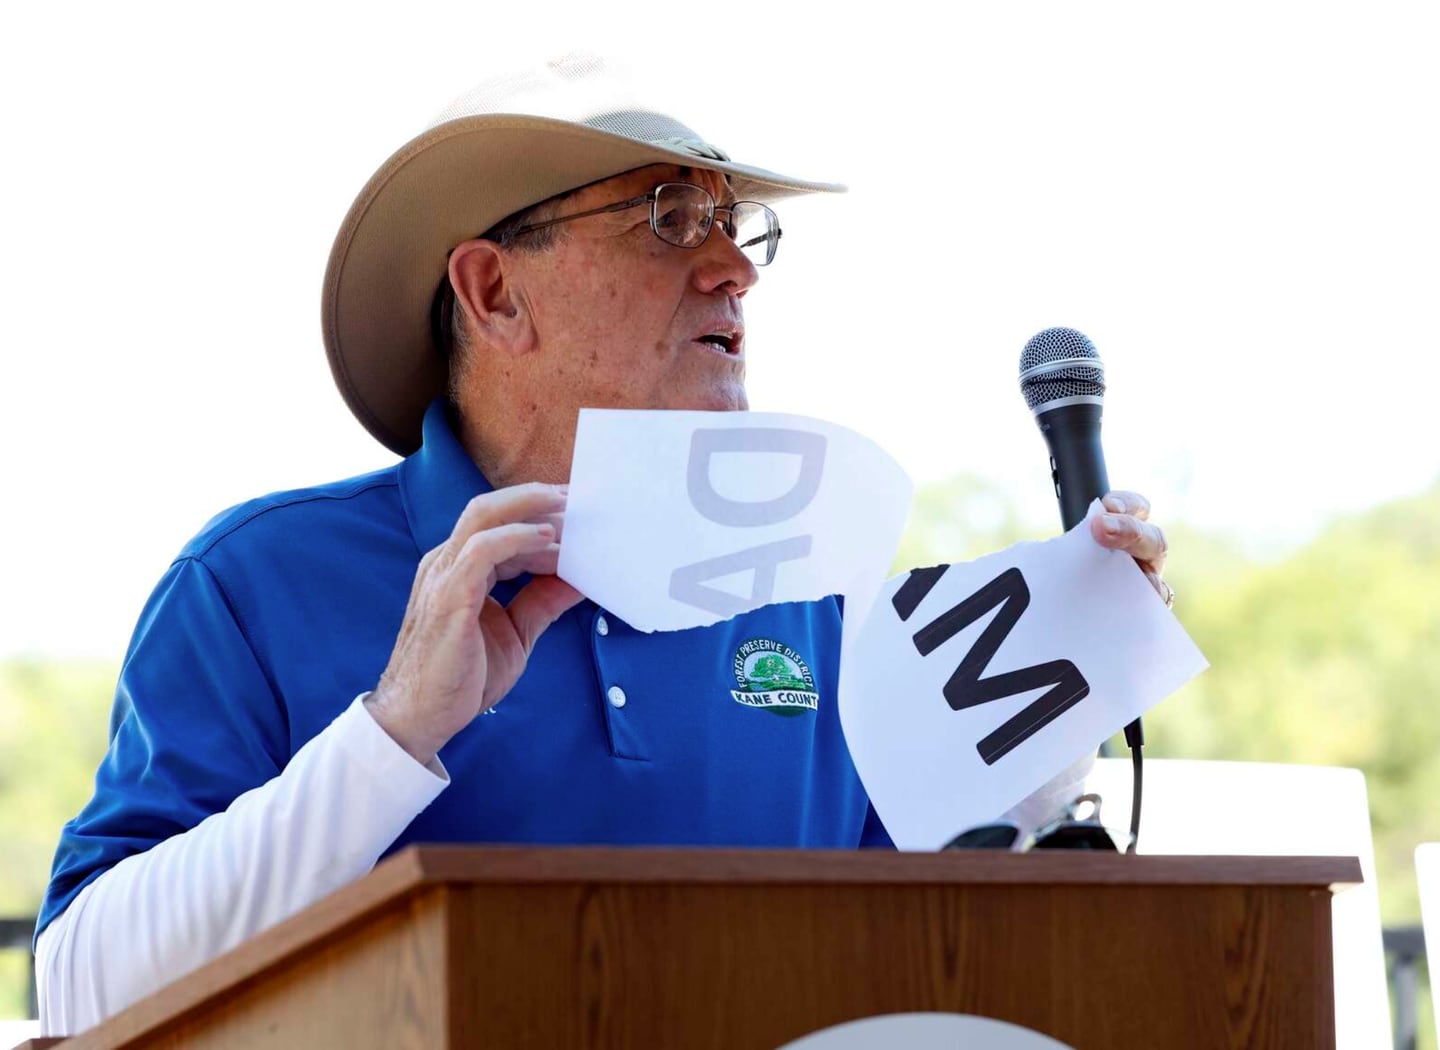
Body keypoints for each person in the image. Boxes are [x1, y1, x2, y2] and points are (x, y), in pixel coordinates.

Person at [34, 56, 1171, 1034]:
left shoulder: (813, 590)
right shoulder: (253, 582)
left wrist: (1084, 651)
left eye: (738, 225)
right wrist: (395, 733)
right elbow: (81, 986)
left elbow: (928, 898)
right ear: (493, 290)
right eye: (672, 218)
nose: (736, 267)